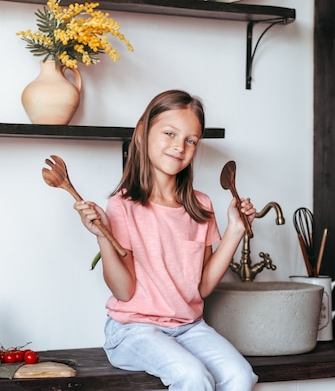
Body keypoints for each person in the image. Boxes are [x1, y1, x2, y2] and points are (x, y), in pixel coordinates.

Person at [74, 89, 259, 390]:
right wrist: (103, 237)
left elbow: (202, 286)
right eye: (170, 133)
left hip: (189, 327)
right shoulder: (122, 206)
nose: (179, 147)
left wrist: (236, 229)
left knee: (240, 375)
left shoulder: (200, 206)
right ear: (142, 132)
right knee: (192, 376)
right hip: (134, 330)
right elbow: (123, 290)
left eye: (190, 140)